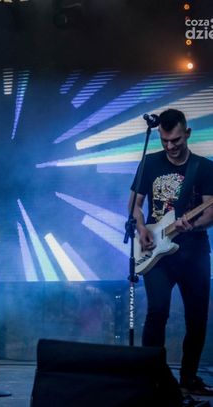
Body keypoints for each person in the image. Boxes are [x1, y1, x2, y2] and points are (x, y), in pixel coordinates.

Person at [129, 108, 213, 396]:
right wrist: (141, 228)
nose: (170, 146)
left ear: (187, 133)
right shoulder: (150, 163)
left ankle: (189, 378)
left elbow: (210, 211)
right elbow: (134, 205)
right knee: (157, 312)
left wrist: (194, 224)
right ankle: (151, 377)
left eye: (175, 140)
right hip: (156, 251)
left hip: (194, 253)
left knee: (197, 319)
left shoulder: (204, 167)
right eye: (164, 141)